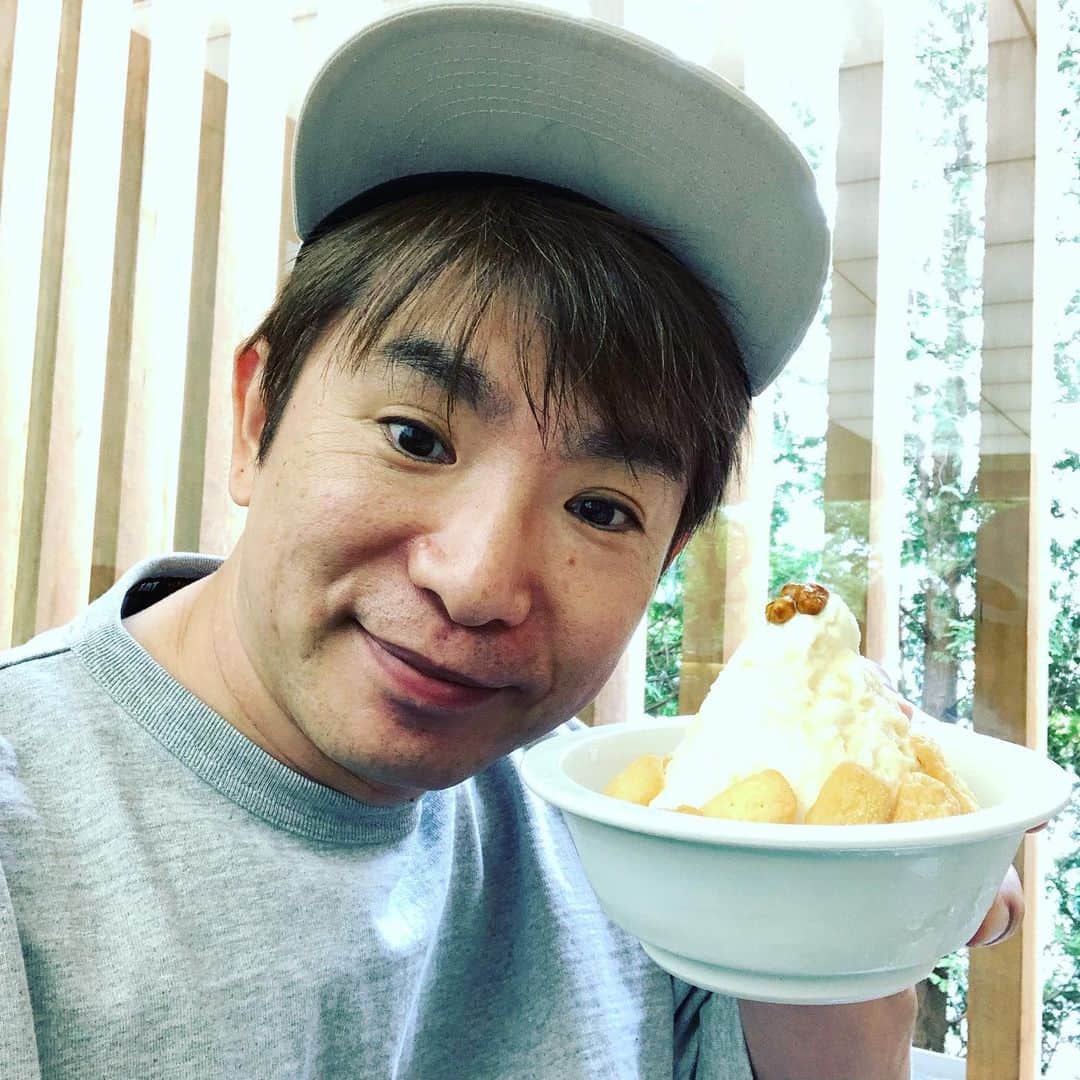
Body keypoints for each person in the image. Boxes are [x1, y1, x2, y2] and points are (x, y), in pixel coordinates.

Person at [0, 5, 1024, 1078]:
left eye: (601, 509)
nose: (479, 581)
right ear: (259, 417)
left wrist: (858, 917)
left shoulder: (631, 837)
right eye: (416, 437)